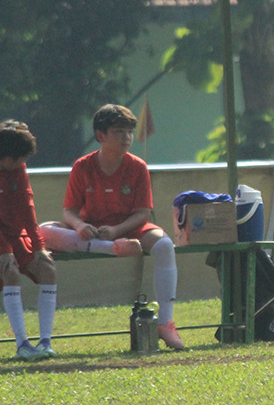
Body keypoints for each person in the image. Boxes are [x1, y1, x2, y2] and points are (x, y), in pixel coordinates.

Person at [39, 104, 184, 349]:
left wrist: (117, 231)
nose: (126, 137)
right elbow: (69, 211)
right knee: (43, 230)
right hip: (92, 232)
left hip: (128, 230)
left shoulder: (138, 166)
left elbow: (142, 213)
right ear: (100, 135)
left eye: (129, 132)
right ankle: (109, 247)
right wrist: (80, 225)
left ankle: (165, 323)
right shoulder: (82, 166)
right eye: (118, 132)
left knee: (165, 246)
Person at [0, 121, 58, 361]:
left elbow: (27, 206)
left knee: (47, 269)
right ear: (6, 157)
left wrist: (38, 247)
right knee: (10, 273)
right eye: (20, 158)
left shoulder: (18, 169)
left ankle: (45, 343)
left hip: (16, 234)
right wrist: (4, 251)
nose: (23, 163)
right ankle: (22, 344)